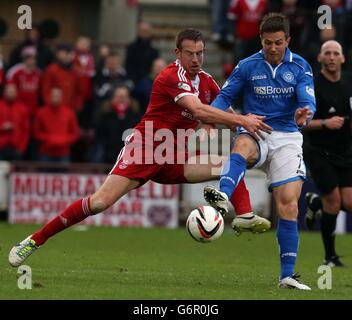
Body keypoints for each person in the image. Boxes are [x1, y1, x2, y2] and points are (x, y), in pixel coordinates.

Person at [9, 28, 272, 268]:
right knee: (100, 203)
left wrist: (226, 127)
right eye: (190, 53)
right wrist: (235, 120)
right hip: (145, 150)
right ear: (177, 53)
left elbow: (219, 111)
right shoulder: (171, 75)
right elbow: (197, 109)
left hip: (173, 155)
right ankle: (34, 240)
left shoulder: (206, 82)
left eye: (200, 53)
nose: (196, 59)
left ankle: (245, 215)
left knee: (230, 163)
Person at [203, 13, 316, 289]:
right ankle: (222, 199)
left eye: (278, 42)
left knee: (288, 204)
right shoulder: (247, 66)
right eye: (268, 43)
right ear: (260, 40)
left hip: (288, 137)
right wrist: (209, 117)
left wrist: (305, 115)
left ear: (288, 40)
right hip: (257, 130)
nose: (273, 48)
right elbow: (224, 97)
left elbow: (306, 103)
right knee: (241, 144)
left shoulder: (300, 67)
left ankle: (287, 276)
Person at [303, 40, 352, 267]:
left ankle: (316, 205)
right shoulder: (312, 85)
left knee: (348, 203)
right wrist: (324, 123)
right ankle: (330, 257)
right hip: (318, 151)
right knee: (333, 201)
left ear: (342, 58)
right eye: (327, 53)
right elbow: (300, 122)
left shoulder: (349, 82)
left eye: (336, 53)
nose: (332, 57)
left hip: (345, 151)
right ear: (320, 58)